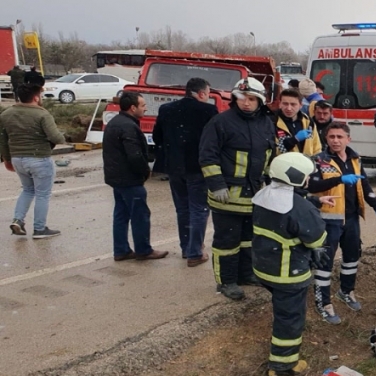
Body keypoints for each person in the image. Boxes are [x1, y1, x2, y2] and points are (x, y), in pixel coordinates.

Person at [252, 153, 329, 376]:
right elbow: (316, 239)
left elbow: (289, 206)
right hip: (288, 273)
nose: (308, 181)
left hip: (263, 267)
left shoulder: (262, 195)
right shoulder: (299, 208)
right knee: (290, 318)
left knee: (283, 311)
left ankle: (282, 358)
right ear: (295, 176)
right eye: (306, 177)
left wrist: (312, 201)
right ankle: (282, 365)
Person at [199, 77, 277, 300]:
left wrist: (273, 185)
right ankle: (226, 282)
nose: (246, 103)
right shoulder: (220, 122)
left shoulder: (266, 122)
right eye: (242, 98)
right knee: (226, 242)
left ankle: (246, 274)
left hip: (254, 197)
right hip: (227, 197)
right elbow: (207, 156)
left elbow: (270, 156)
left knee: (249, 239)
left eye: (252, 99)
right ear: (235, 98)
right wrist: (217, 185)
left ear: (260, 101)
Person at [307, 122, 376, 324]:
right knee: (324, 262)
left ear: (348, 139)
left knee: (352, 257)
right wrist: (339, 180)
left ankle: (346, 291)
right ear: (326, 139)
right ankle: (323, 303)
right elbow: (314, 185)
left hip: (351, 218)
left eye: (339, 137)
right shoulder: (319, 160)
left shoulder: (354, 159)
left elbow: (364, 183)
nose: (335, 140)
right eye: (331, 136)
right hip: (329, 220)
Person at [152, 78, 218, 266]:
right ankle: (195, 252)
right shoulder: (208, 111)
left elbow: (158, 137)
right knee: (199, 208)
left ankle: (186, 248)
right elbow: (214, 139)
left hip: (174, 167)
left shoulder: (166, 109)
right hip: (198, 166)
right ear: (202, 93)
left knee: (182, 208)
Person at [103, 92, 168, 260]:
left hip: (116, 177)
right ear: (133, 108)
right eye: (143, 105)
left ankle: (121, 250)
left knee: (121, 214)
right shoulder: (128, 126)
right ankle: (143, 249)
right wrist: (145, 171)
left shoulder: (115, 123)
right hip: (129, 179)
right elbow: (134, 155)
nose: (145, 108)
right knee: (140, 215)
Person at [0, 83, 65, 238]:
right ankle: (39, 229)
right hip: (39, 158)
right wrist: (61, 136)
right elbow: (56, 137)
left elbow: (2, 140)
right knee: (42, 194)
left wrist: (7, 159)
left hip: (17, 159)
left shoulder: (5, 114)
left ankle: (18, 220)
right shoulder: (42, 114)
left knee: (27, 190)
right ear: (36, 97)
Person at [275, 88, 322, 157]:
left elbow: (316, 148)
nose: (289, 108)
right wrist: (294, 139)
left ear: (300, 105)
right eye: (285, 104)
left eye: (293, 104)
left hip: (306, 165)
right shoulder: (272, 122)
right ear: (280, 104)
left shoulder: (308, 121)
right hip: (283, 165)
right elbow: (272, 151)